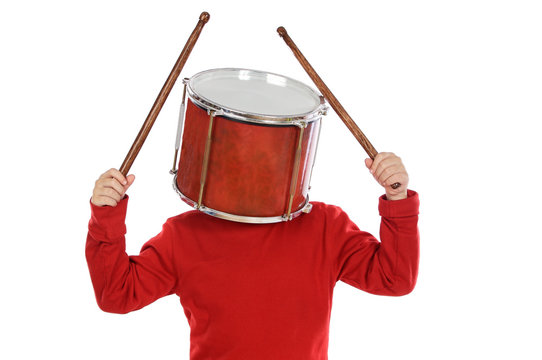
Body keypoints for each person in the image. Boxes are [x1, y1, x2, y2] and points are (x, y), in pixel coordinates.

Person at [86, 152, 419, 360]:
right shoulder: (183, 235)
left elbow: (395, 279)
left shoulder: (325, 226)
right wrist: (105, 218)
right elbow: (117, 295)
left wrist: (397, 197)